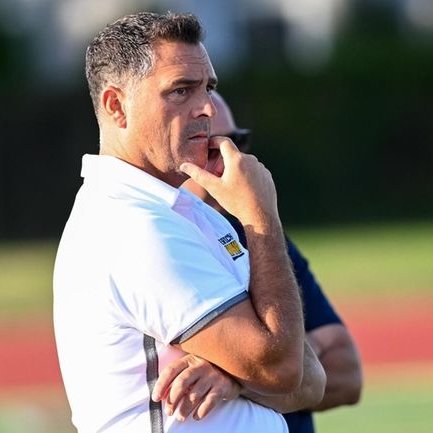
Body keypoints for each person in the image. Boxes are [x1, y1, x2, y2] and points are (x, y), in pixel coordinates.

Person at [53, 12, 325, 433]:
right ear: (116, 106)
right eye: (181, 90)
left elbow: (311, 379)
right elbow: (283, 368)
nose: (207, 109)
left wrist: (234, 377)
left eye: (208, 88)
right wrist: (261, 216)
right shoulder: (132, 226)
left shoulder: (184, 210)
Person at [180, 91, 362, 433]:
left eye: (239, 142)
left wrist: (239, 375)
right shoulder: (163, 248)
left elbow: (347, 373)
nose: (234, 159)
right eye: (215, 145)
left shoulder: (263, 240)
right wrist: (275, 366)